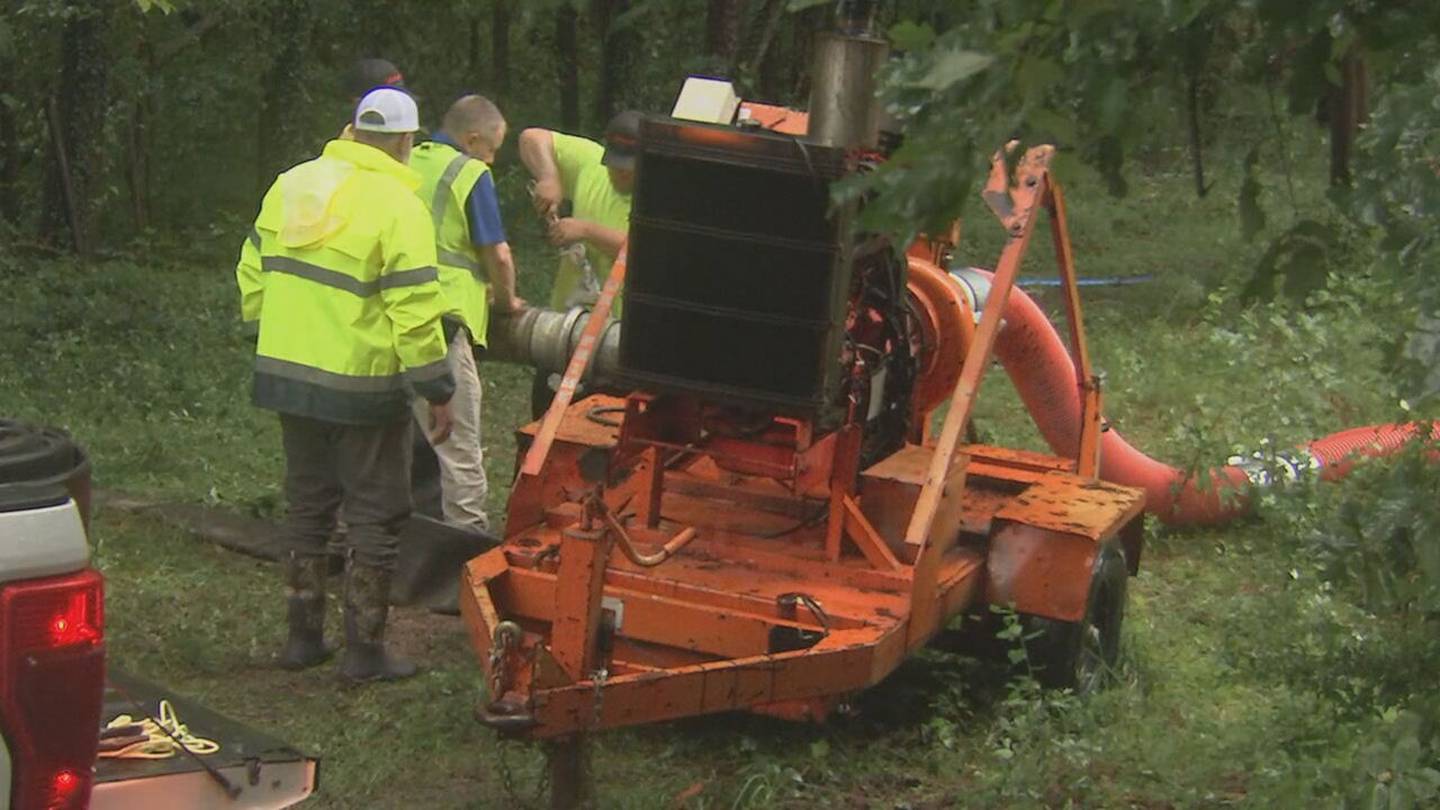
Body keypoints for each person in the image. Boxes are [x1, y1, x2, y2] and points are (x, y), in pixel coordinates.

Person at [236, 87, 453, 683]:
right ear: (407, 143)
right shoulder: (399, 206)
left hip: (285, 374)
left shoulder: (292, 184)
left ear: (350, 129)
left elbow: (252, 270)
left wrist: (274, 329)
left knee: (308, 505)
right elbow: (413, 306)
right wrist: (436, 386)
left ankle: (302, 638)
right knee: (375, 514)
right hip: (360, 386)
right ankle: (365, 651)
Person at [408, 95, 524, 532]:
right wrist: (508, 300)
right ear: (473, 140)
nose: (492, 160)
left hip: (386, 315)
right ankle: (464, 546)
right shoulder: (469, 173)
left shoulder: (405, 159)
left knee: (386, 437)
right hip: (441, 322)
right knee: (458, 446)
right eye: (492, 149)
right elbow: (497, 252)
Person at [518, 109, 640, 415]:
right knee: (543, 427)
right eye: (614, 165)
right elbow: (532, 137)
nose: (618, 173)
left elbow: (649, 249)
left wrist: (586, 230)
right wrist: (549, 177)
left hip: (620, 341)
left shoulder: (662, 196)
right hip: (567, 332)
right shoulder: (590, 163)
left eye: (628, 168)